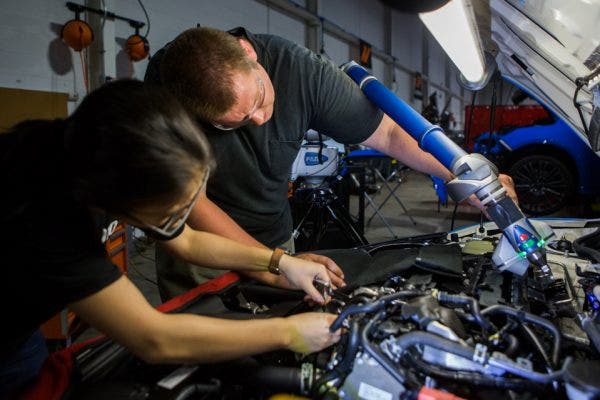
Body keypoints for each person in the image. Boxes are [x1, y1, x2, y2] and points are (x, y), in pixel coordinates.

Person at [0, 79, 340, 397]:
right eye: (172, 211)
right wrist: (288, 333)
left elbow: (188, 241)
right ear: (119, 196)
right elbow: (154, 339)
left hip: (23, 326)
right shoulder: (47, 218)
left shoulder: (94, 149)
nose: (183, 217)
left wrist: (279, 262)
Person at [145, 26, 517, 300]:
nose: (259, 119)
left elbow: (386, 133)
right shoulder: (162, 96)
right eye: (233, 122)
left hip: (276, 237)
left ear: (248, 52)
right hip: (201, 253)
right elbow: (195, 204)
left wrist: (464, 176)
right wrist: (271, 266)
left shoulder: (299, 70)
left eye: (258, 97)